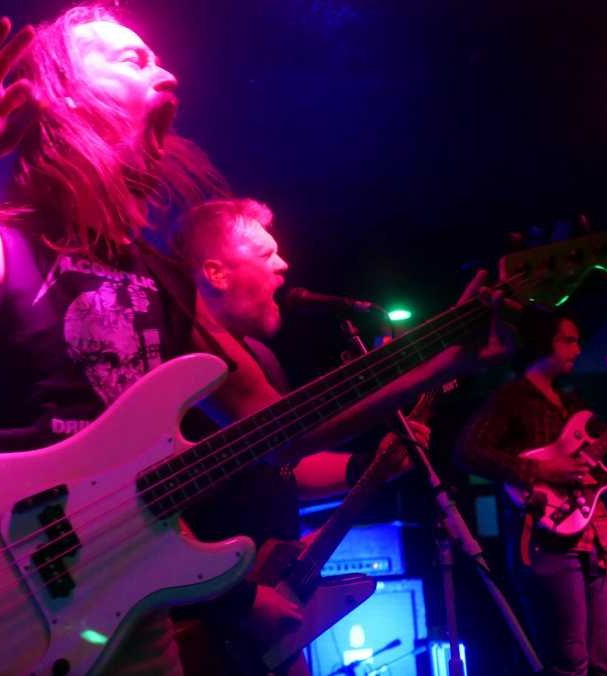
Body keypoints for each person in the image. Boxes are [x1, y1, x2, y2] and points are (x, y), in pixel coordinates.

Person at [0, 4, 509, 674]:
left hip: (129, 616)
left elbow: (279, 425)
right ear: (58, 94)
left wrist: (448, 355)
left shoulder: (162, 280)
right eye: (130, 57)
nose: (164, 72)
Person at [171, 198, 429, 675]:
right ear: (216, 273)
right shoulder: (177, 368)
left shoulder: (263, 360)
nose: (283, 264)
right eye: (265, 253)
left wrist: (367, 465)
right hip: (206, 615)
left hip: (268, 611)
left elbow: (284, 465)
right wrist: (234, 599)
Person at [457, 313, 607, 676]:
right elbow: (468, 451)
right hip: (546, 541)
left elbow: (602, 452)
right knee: (569, 661)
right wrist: (541, 471)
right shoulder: (512, 397)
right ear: (543, 342)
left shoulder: (571, 400)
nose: (577, 349)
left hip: (594, 536)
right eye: (568, 340)